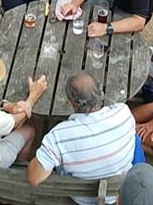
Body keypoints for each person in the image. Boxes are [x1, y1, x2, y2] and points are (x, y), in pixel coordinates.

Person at [27, 73, 136, 203]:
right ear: (99, 93)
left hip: (81, 200)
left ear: (71, 102)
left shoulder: (59, 136)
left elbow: (34, 178)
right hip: (116, 194)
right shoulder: (123, 112)